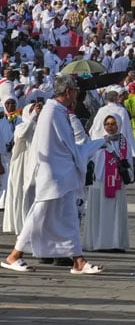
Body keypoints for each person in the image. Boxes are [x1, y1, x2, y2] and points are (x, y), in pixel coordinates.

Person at [3, 76, 105, 274]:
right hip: (53, 174)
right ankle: (14, 255)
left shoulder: (58, 111)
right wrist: (96, 144)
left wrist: (96, 144)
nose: (77, 93)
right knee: (39, 214)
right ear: (68, 92)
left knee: (69, 217)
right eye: (75, 89)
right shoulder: (53, 112)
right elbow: (67, 148)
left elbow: (67, 147)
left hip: (61, 173)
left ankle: (79, 261)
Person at [83, 113, 132, 252]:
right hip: (100, 182)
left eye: (113, 124)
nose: (110, 127)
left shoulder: (124, 142)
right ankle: (100, 242)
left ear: (119, 125)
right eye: (107, 124)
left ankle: (116, 243)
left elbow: (128, 162)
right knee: (101, 212)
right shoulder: (98, 142)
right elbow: (91, 160)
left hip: (117, 182)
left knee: (115, 212)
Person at [1, 100, 43, 236]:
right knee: (21, 194)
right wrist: (32, 116)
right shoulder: (21, 126)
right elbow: (23, 134)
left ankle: (32, 225)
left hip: (34, 164)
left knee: (33, 196)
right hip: (21, 165)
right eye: (31, 111)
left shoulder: (38, 128)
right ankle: (22, 226)